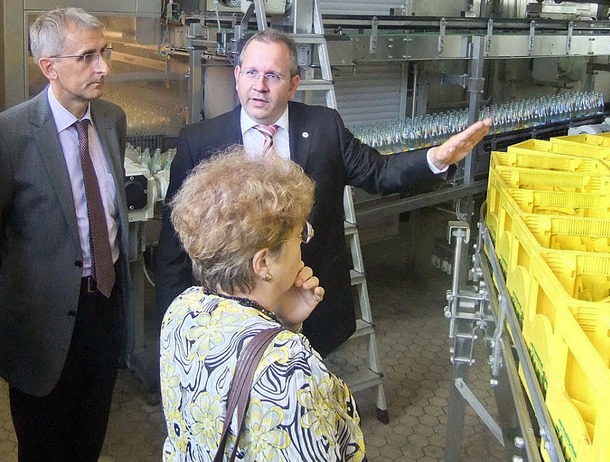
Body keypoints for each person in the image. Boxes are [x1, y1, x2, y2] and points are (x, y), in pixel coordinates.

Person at [155, 27, 491, 357]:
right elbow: (175, 247)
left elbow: (379, 172)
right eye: (252, 72)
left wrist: (436, 159)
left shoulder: (324, 126)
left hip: (309, 301)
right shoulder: (200, 141)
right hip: (232, 315)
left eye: (273, 75)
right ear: (238, 75)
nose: (259, 86)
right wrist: (173, 330)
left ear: (293, 85)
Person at [160, 146, 365, 461]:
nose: (303, 246)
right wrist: (287, 340)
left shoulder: (182, 309)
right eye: (299, 236)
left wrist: (284, 321)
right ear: (263, 263)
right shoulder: (289, 367)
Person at [0, 7, 133, 461]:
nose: (104, 68)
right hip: (41, 323)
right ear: (49, 67)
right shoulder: (10, 134)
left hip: (105, 303)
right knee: (43, 445)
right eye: (88, 57)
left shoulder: (112, 119)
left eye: (105, 53)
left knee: (90, 433)